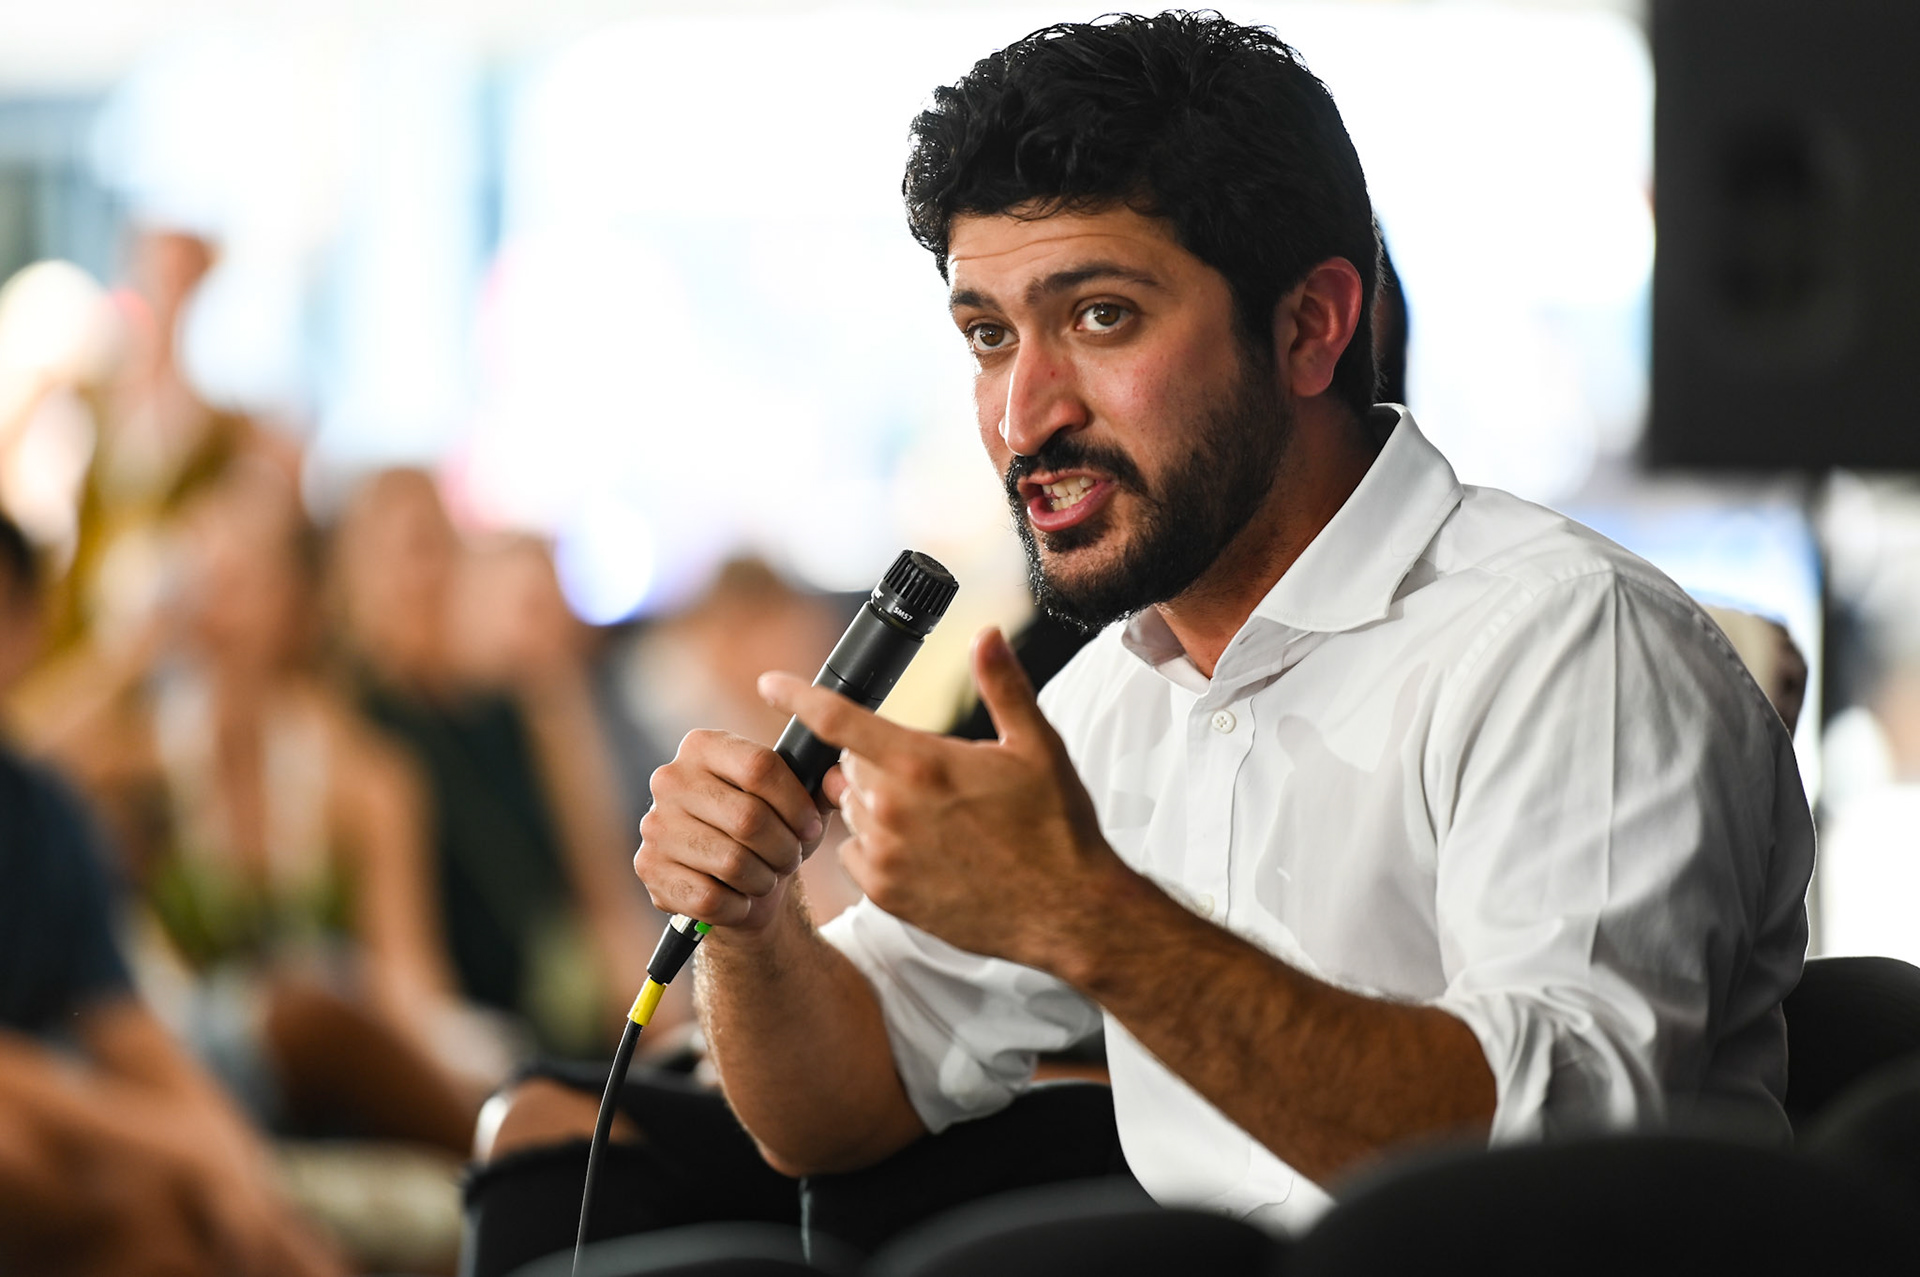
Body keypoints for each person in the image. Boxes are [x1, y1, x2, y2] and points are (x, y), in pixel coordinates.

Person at [471, 12, 1813, 1269]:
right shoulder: (1121, 689)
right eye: (989, 336)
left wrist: (1088, 915)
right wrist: (752, 921)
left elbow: (1559, 1182)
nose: (1021, 413)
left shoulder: (1571, 644)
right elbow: (834, 1106)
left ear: (1309, 325)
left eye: (1099, 317)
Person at [0, 510, 343, 1277]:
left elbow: (129, 1029)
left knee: (173, 1222)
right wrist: (175, 1143)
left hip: (95, 1096)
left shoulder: (40, 808)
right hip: (50, 1116)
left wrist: (233, 1168)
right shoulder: (135, 750)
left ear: (25, 631)